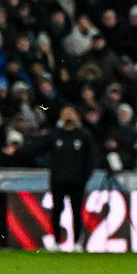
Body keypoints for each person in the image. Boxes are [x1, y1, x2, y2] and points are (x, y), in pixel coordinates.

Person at [48, 104, 99, 251]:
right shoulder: (55, 134)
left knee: (76, 211)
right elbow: (39, 148)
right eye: (65, 112)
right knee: (57, 210)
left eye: (71, 112)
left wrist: (84, 177)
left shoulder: (84, 135)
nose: (68, 115)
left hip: (77, 181)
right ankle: (56, 241)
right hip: (58, 180)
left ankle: (77, 242)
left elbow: (91, 159)